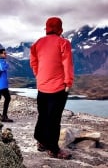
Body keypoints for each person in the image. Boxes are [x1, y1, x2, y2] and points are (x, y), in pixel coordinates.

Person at [30, 17, 74, 159]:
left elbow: (33, 62)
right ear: (60, 29)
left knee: (42, 114)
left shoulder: (37, 43)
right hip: (58, 87)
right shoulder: (64, 43)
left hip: (42, 86)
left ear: (47, 28)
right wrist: (68, 82)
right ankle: (53, 149)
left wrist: (39, 76)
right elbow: (67, 63)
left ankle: (41, 141)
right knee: (54, 118)